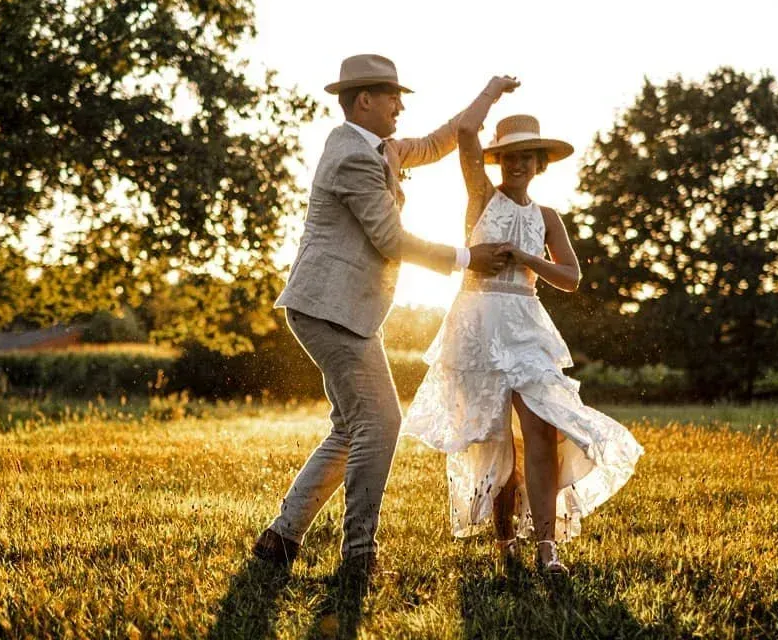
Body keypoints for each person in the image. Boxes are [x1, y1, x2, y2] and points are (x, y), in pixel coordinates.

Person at [253, 54, 514, 576]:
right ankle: (358, 557)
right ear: (364, 100)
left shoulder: (384, 149)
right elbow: (390, 239)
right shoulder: (350, 155)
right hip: (328, 309)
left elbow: (441, 141)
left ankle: (280, 541)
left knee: (353, 428)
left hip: (347, 312)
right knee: (380, 422)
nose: (399, 105)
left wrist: (488, 94)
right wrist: (466, 258)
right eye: (392, 96)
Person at [402, 78, 645, 574]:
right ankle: (505, 541)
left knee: (541, 426)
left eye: (528, 157)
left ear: (541, 164)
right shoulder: (480, 196)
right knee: (493, 437)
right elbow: (467, 129)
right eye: (510, 156)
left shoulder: (548, 216)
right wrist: (493, 90)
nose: (518, 164)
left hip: (526, 323)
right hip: (478, 323)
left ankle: (546, 545)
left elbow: (572, 278)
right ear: (499, 162)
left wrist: (527, 256)